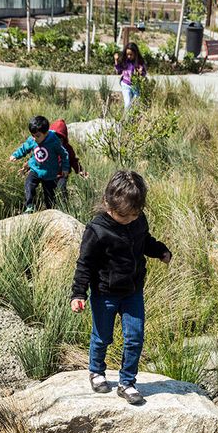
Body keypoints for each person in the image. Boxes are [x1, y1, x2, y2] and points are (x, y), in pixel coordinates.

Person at [70, 170, 172, 405]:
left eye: (134, 214)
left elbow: (145, 241)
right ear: (108, 203)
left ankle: (127, 382)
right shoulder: (96, 230)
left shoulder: (138, 219)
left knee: (135, 336)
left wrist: (160, 251)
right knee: (102, 336)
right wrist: (78, 293)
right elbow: (85, 263)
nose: (130, 220)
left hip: (133, 291)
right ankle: (96, 371)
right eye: (124, 216)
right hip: (104, 293)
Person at [9, 115, 70, 213]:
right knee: (29, 184)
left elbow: (64, 154)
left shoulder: (53, 141)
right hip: (35, 169)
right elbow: (25, 148)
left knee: (49, 197)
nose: (34, 138)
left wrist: (65, 168)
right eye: (32, 135)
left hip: (49, 173)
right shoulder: (32, 140)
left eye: (37, 136)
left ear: (45, 133)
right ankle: (30, 206)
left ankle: (51, 211)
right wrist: (16, 155)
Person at [50, 119, 89, 203]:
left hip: (63, 174)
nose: (57, 140)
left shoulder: (67, 148)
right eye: (55, 137)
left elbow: (73, 160)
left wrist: (80, 170)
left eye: (60, 138)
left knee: (61, 188)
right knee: (49, 192)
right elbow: (39, 157)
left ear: (64, 138)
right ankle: (51, 206)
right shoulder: (48, 147)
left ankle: (65, 205)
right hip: (49, 174)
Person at [114, 42, 146, 109]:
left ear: (135, 53)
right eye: (127, 54)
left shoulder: (140, 62)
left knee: (136, 104)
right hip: (126, 84)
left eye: (131, 54)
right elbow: (119, 71)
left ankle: (133, 119)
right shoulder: (125, 61)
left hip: (136, 85)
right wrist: (116, 60)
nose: (129, 56)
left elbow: (144, 74)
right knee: (128, 104)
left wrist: (141, 72)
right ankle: (126, 119)